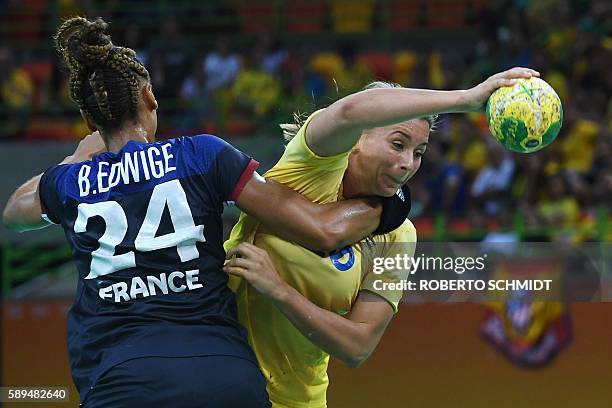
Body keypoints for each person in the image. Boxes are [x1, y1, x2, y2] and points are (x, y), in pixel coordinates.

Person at [1, 17, 394, 407]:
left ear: (89, 120)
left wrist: (76, 157)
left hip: (122, 378)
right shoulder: (201, 155)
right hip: (223, 376)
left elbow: (15, 213)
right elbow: (319, 228)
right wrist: (389, 204)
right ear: (150, 98)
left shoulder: (71, 182)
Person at [223, 68, 540, 407]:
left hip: (296, 400)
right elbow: (349, 111)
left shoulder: (400, 234)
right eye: (397, 144)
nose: (407, 163)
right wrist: (466, 99)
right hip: (219, 379)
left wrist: (280, 292)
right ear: (358, 137)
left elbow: (358, 345)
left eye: (418, 152)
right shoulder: (312, 165)